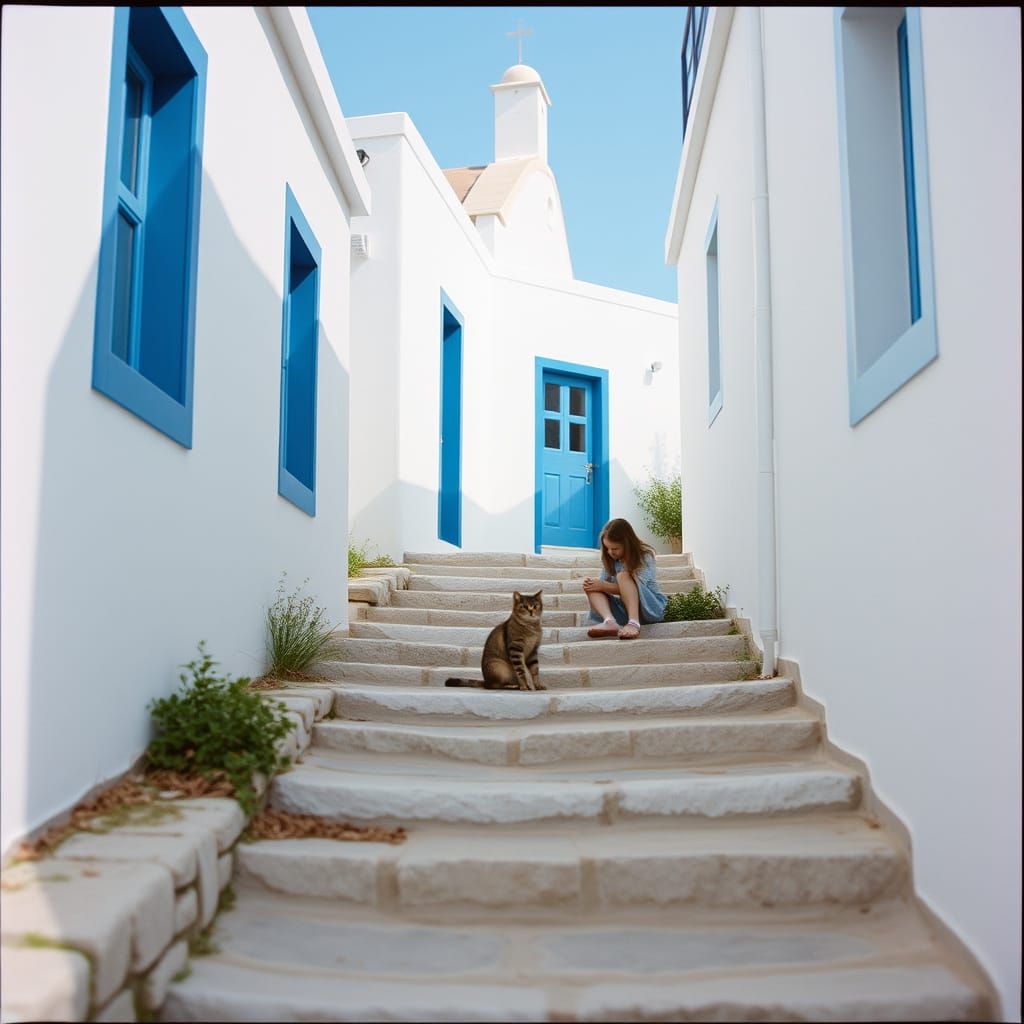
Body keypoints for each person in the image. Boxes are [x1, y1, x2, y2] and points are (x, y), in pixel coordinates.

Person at [583, 518, 667, 640]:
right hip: (625, 610)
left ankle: (634, 623)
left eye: (615, 549)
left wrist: (603, 585)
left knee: (623, 575)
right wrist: (597, 585)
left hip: (649, 608)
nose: (610, 552)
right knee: (592, 586)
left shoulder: (645, 556)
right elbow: (602, 586)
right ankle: (610, 621)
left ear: (627, 544)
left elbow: (637, 589)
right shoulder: (611, 560)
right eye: (607, 548)